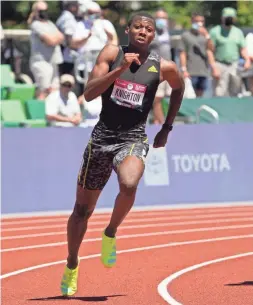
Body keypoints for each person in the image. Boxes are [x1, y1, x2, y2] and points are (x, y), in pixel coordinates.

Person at [60, 12, 185, 296]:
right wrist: (118, 71)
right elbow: (90, 94)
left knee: (129, 184)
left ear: (153, 36)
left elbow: (179, 88)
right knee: (82, 211)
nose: (143, 31)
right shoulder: (112, 53)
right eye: (138, 26)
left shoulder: (163, 66)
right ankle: (71, 263)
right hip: (102, 137)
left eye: (149, 29)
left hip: (133, 137)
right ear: (127, 30)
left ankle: (111, 231)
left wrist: (166, 127)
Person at [209, 7, 251, 97]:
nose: (228, 19)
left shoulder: (238, 32)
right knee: (219, 92)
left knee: (236, 91)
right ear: (222, 18)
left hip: (234, 65)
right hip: (220, 64)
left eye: (230, 17)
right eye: (227, 17)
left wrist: (247, 60)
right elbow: (209, 51)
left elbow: (243, 49)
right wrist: (213, 67)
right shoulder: (215, 32)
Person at [179, 12, 214, 97]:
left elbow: (211, 49)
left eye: (201, 21)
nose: (199, 23)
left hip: (204, 71)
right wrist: (184, 70)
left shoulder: (206, 36)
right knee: (190, 96)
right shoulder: (185, 35)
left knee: (200, 97)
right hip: (191, 72)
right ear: (192, 21)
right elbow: (182, 53)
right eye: (197, 21)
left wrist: (207, 36)